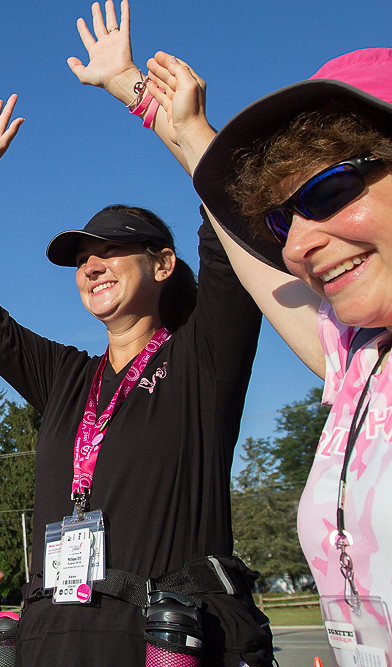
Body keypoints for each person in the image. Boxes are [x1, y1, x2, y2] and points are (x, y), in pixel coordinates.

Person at [0, 8, 272, 665]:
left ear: (163, 264)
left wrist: (133, 91)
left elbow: (233, 211)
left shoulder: (202, 358)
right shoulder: (67, 379)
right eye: (82, 257)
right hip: (49, 645)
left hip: (156, 646)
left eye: (113, 249)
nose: (92, 265)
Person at [143, 31, 392, 655]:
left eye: (330, 191)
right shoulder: (360, 360)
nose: (296, 246)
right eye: (283, 220)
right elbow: (247, 248)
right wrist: (171, 119)